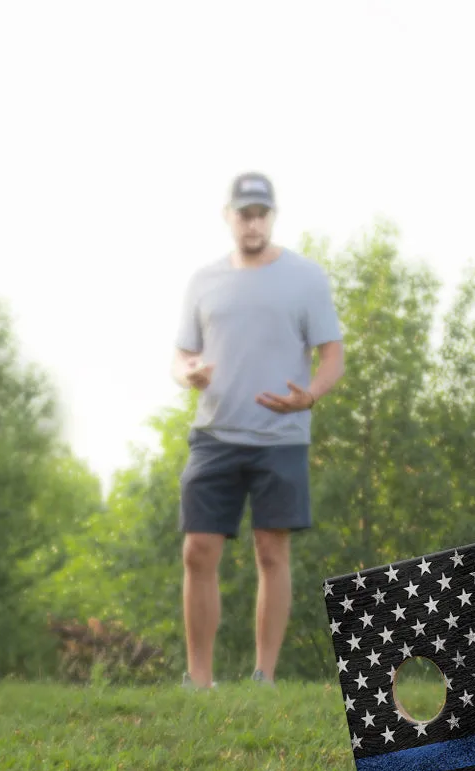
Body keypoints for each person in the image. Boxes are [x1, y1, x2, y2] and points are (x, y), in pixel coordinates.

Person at [172, 172, 345, 689]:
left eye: (260, 213)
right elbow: (182, 354)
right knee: (197, 550)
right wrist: (189, 373)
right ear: (228, 216)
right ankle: (198, 680)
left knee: (272, 551)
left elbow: (332, 354)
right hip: (214, 435)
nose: (252, 222)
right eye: (244, 213)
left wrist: (310, 395)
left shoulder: (306, 278)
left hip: (281, 436)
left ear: (272, 216)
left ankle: (263, 676)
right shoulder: (203, 280)